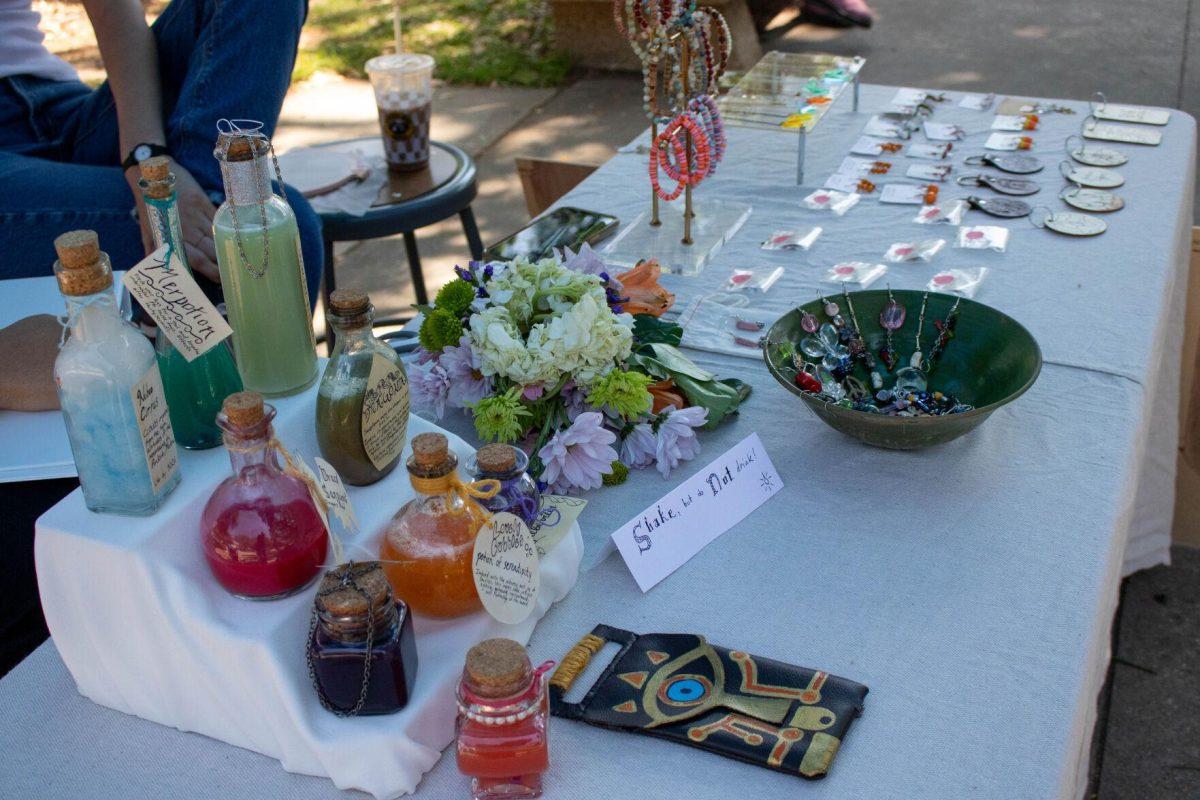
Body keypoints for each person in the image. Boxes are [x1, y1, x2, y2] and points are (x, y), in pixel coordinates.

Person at [0, 0, 323, 303]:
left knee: (264, 236)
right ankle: (201, 240)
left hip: (61, 105)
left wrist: (145, 155)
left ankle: (203, 210)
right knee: (278, 235)